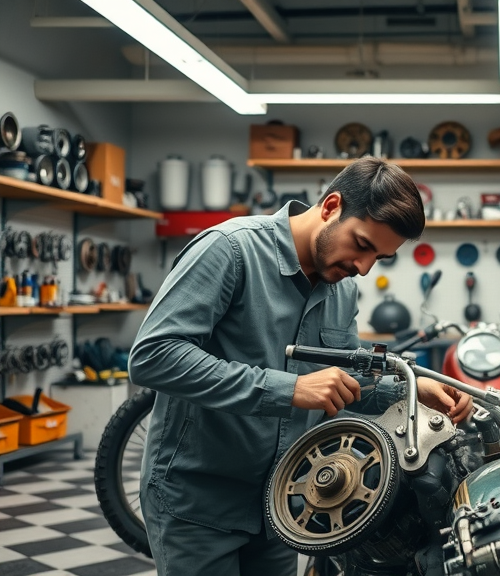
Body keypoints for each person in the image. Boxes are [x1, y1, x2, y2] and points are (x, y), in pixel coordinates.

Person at [129, 157, 473, 576]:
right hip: (199, 502)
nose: (363, 269)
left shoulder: (341, 288)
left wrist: (410, 390)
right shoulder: (230, 250)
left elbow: (345, 385)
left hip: (285, 503)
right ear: (330, 207)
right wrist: (288, 389)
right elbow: (154, 356)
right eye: (362, 245)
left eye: (378, 258)